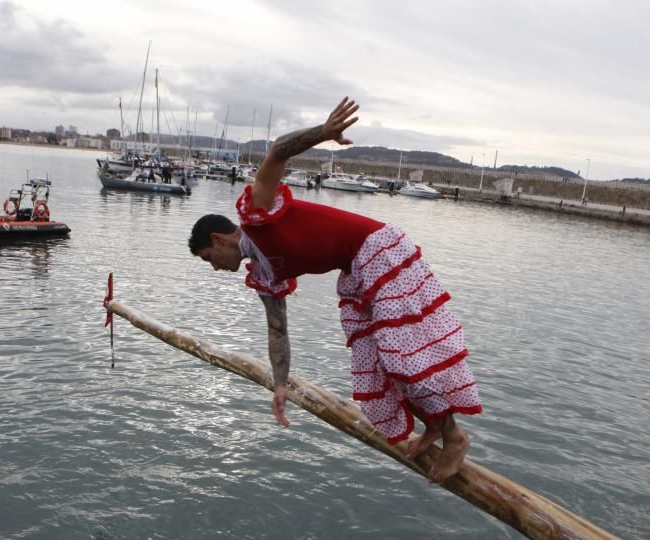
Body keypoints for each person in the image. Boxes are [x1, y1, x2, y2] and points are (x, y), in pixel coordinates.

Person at [187, 97, 482, 483]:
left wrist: (322, 134)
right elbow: (278, 331)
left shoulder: (258, 213)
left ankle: (455, 437)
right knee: (377, 361)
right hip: (357, 269)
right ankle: (433, 425)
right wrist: (279, 386)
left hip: (380, 251)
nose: (215, 267)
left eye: (210, 258)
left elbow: (277, 151)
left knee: (401, 354)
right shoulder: (263, 274)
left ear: (218, 239)